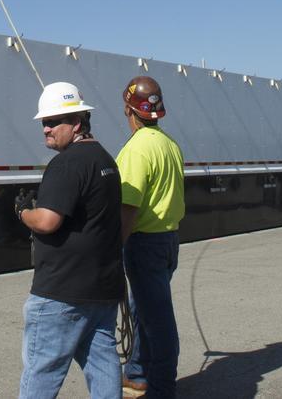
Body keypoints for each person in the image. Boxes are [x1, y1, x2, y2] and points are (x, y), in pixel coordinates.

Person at [16, 81, 125, 399]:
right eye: (44, 123)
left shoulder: (66, 164)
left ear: (77, 122)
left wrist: (23, 212)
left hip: (62, 293)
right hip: (102, 290)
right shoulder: (106, 160)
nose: (46, 129)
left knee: (42, 373)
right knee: (103, 366)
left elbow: (48, 221)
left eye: (52, 122)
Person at [117, 76, 185, 399]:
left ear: (130, 110)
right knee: (142, 307)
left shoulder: (136, 150)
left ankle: (161, 389)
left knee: (158, 321)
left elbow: (127, 207)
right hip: (168, 241)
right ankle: (137, 373)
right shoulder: (170, 145)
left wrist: (112, 247)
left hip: (144, 244)